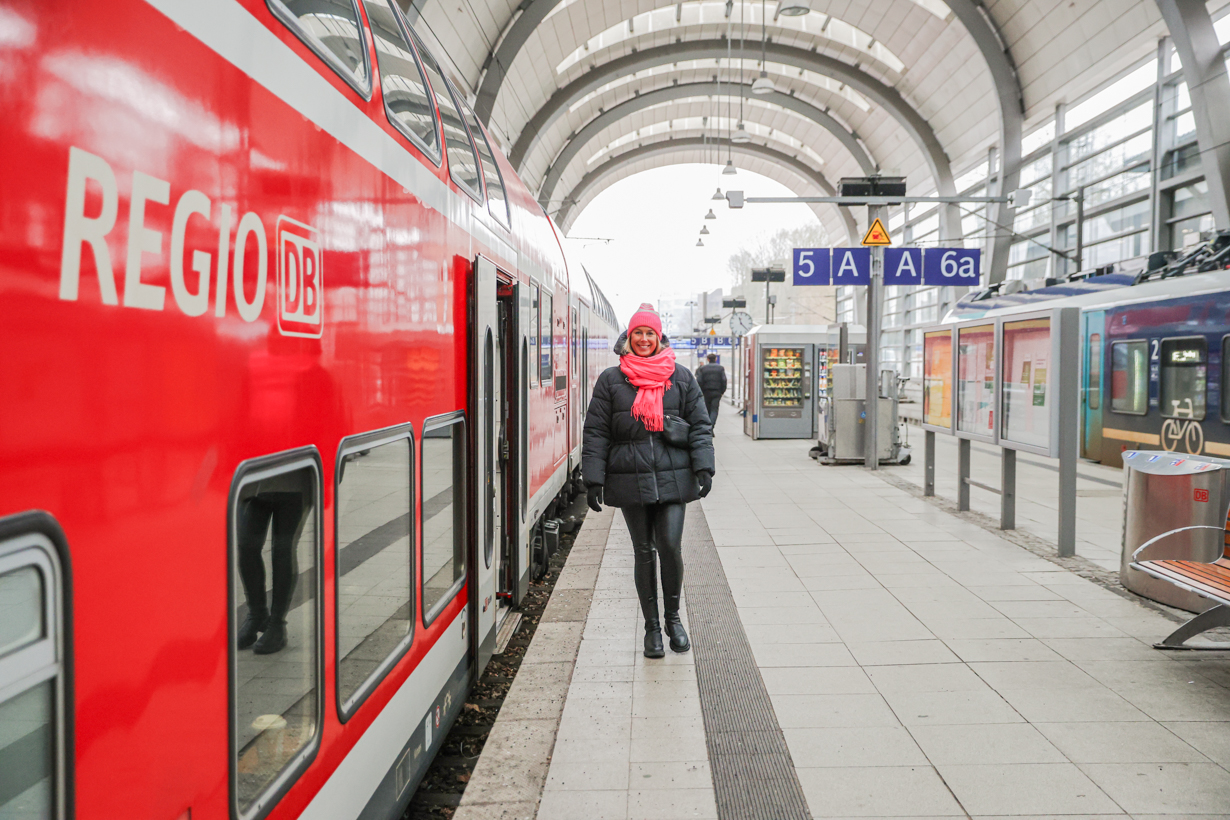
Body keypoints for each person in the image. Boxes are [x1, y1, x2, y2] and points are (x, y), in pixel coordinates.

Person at [581, 304, 715, 658]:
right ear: (629, 337)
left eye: (650, 334)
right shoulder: (612, 379)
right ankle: (652, 628)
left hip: (674, 475)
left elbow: (701, 425)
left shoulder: (681, 377)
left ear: (659, 338)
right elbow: (596, 431)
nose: (643, 339)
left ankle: (673, 619)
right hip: (631, 478)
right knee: (644, 552)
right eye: (638, 333)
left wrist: (704, 467)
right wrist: (593, 477)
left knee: (669, 546)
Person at [695, 353, 728, 424]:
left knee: (707, 409)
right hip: (717, 392)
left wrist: (701, 392)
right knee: (714, 410)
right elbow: (724, 380)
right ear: (716, 359)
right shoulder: (720, 368)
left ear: (708, 359)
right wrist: (722, 391)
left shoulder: (703, 368)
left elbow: (699, 381)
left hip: (706, 392)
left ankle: (707, 426)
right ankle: (711, 426)